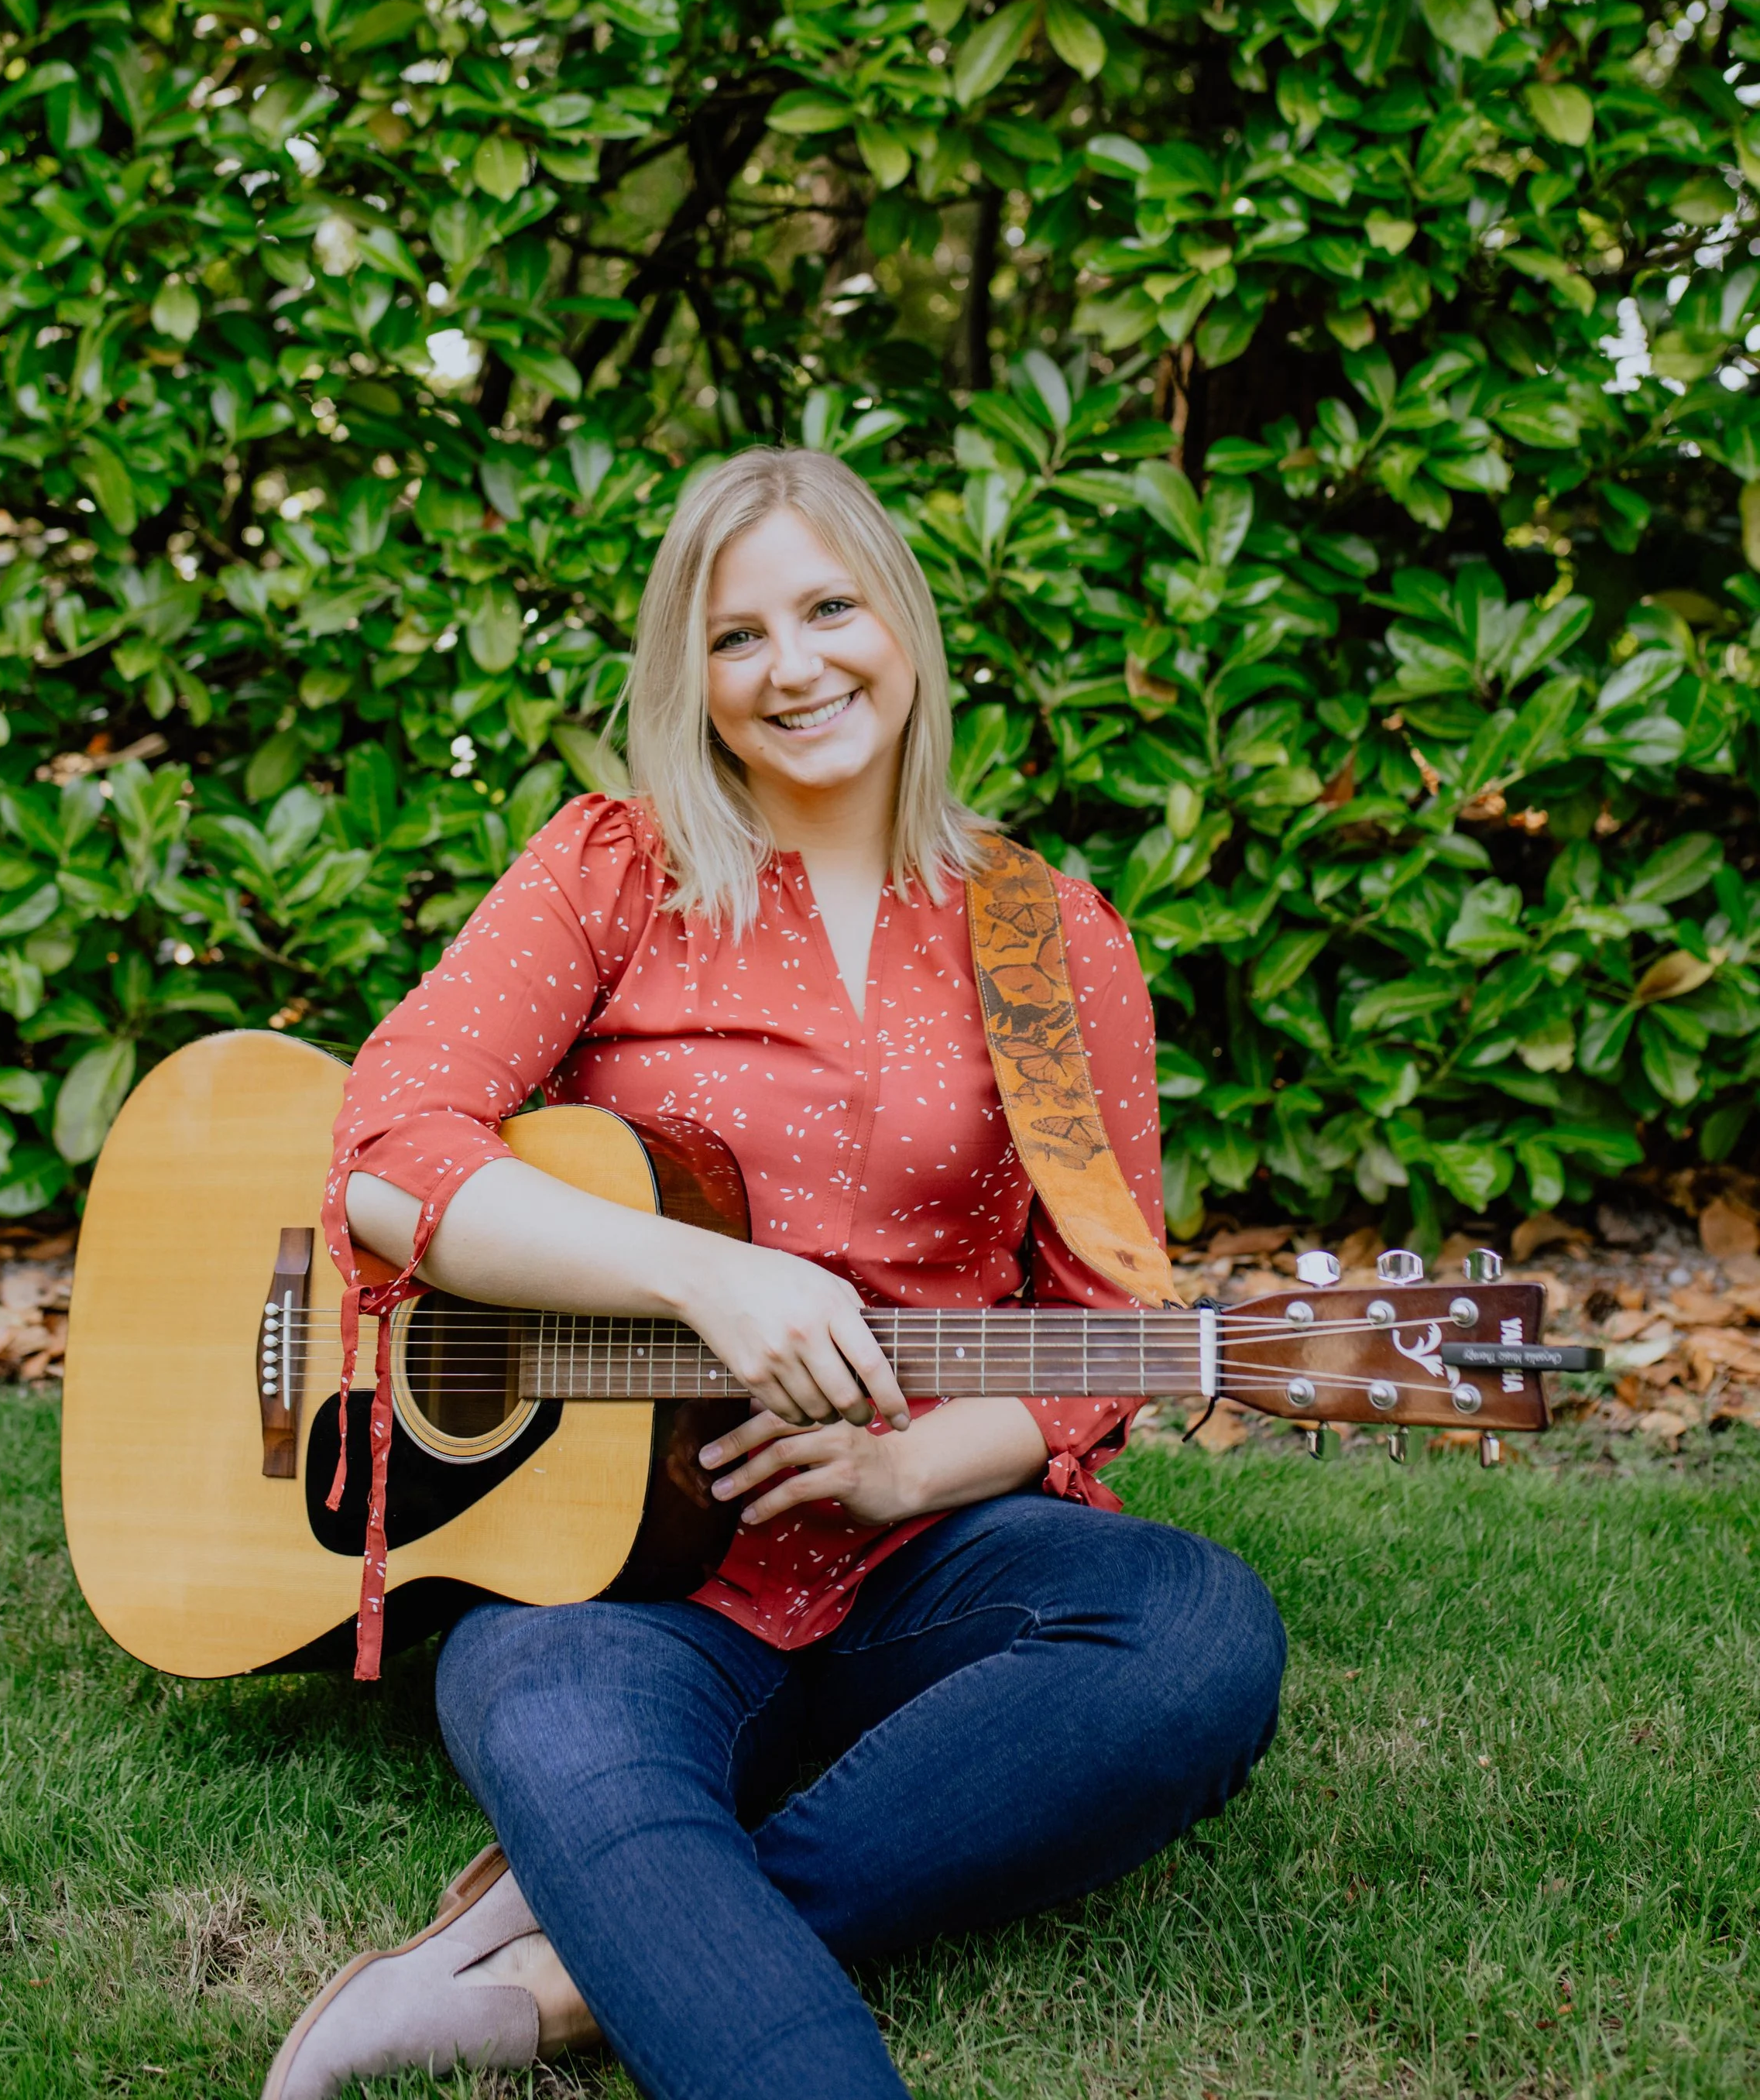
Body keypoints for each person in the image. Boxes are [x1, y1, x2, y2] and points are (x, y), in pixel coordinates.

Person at [264, 448, 1286, 2100]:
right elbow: (391, 1145)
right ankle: (639, 1862)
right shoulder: (614, 869)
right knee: (543, 1705)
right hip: (625, 1575)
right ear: (692, 674)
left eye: (829, 607)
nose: (794, 666)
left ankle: (571, 1960)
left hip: (926, 1559)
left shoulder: (1044, 933)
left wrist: (902, 1465)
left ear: (904, 620)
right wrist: (697, 1275)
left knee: (1192, 1633)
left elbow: (1115, 1322)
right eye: (737, 636)